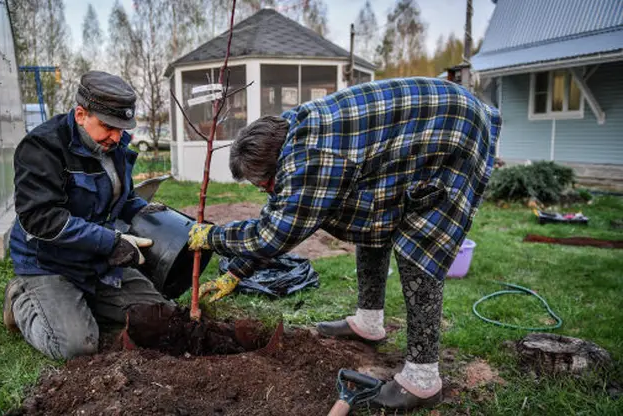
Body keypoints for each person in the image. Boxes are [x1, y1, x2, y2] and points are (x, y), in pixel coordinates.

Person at [188, 77, 501, 410]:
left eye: (263, 183)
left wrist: (212, 237)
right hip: (415, 128)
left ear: (277, 163)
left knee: (418, 247)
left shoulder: (310, 160)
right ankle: (369, 323)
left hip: (453, 130)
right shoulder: (287, 136)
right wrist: (235, 272)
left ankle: (423, 379)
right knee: (373, 221)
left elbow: (273, 234)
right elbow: (283, 212)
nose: (265, 190)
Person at [3, 71, 172, 360]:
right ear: (81, 114)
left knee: (160, 317)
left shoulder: (114, 145)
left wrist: (140, 209)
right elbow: (41, 218)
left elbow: (119, 197)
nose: (117, 137)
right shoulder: (42, 148)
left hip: (95, 261)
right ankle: (22, 298)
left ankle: (74, 305)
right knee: (76, 347)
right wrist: (110, 242)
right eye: (108, 126)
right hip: (49, 263)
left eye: (122, 128)